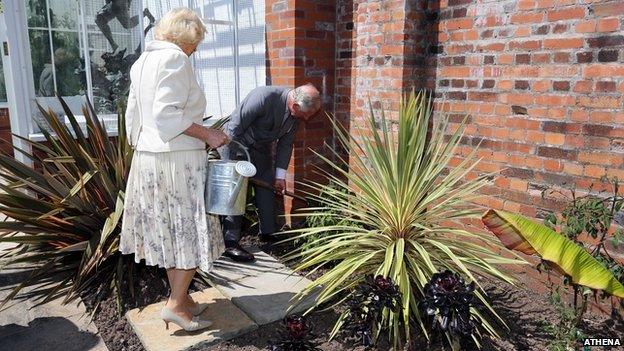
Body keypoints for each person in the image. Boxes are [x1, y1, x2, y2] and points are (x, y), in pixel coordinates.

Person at [119, 8, 228, 332]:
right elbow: (168, 117)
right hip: (177, 162)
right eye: (196, 42)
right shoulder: (176, 59)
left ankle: (183, 297)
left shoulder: (142, 63)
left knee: (172, 233)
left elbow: (132, 117)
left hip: (150, 159)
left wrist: (145, 146)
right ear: (186, 37)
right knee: (190, 232)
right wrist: (210, 134)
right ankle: (176, 305)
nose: (196, 49)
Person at [219, 84, 321, 262]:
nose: (306, 118)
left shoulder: (294, 115)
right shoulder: (263, 97)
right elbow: (234, 126)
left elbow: (286, 144)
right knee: (236, 190)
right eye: (305, 114)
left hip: (261, 148)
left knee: (267, 182)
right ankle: (230, 242)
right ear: (295, 105)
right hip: (236, 142)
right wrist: (231, 164)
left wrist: (280, 177)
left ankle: (267, 232)